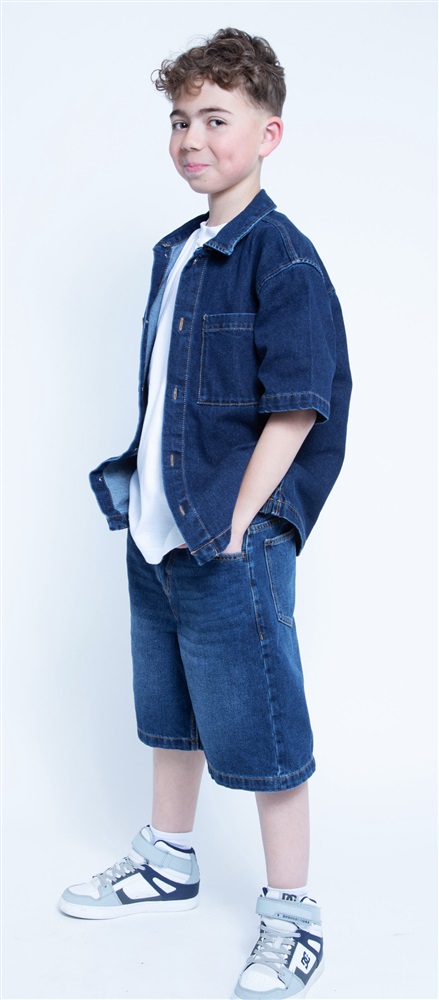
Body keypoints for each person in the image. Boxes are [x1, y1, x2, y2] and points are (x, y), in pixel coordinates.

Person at [59, 27, 352, 1000]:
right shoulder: (176, 251)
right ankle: (169, 857)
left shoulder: (282, 257)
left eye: (215, 119)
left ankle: (291, 910)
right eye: (180, 119)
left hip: (228, 537)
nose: (192, 137)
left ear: (268, 134)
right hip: (158, 528)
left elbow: (298, 403)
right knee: (171, 712)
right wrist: (160, 512)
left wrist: (235, 525)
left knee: (263, 725)